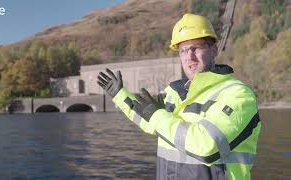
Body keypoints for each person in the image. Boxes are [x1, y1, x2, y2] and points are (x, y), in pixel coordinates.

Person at [97, 13, 261, 180]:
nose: (189, 56)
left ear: (213, 50)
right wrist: (120, 95)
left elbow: (207, 146)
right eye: (183, 50)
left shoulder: (238, 95)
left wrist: (156, 116)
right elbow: (149, 120)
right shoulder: (175, 94)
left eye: (195, 48)